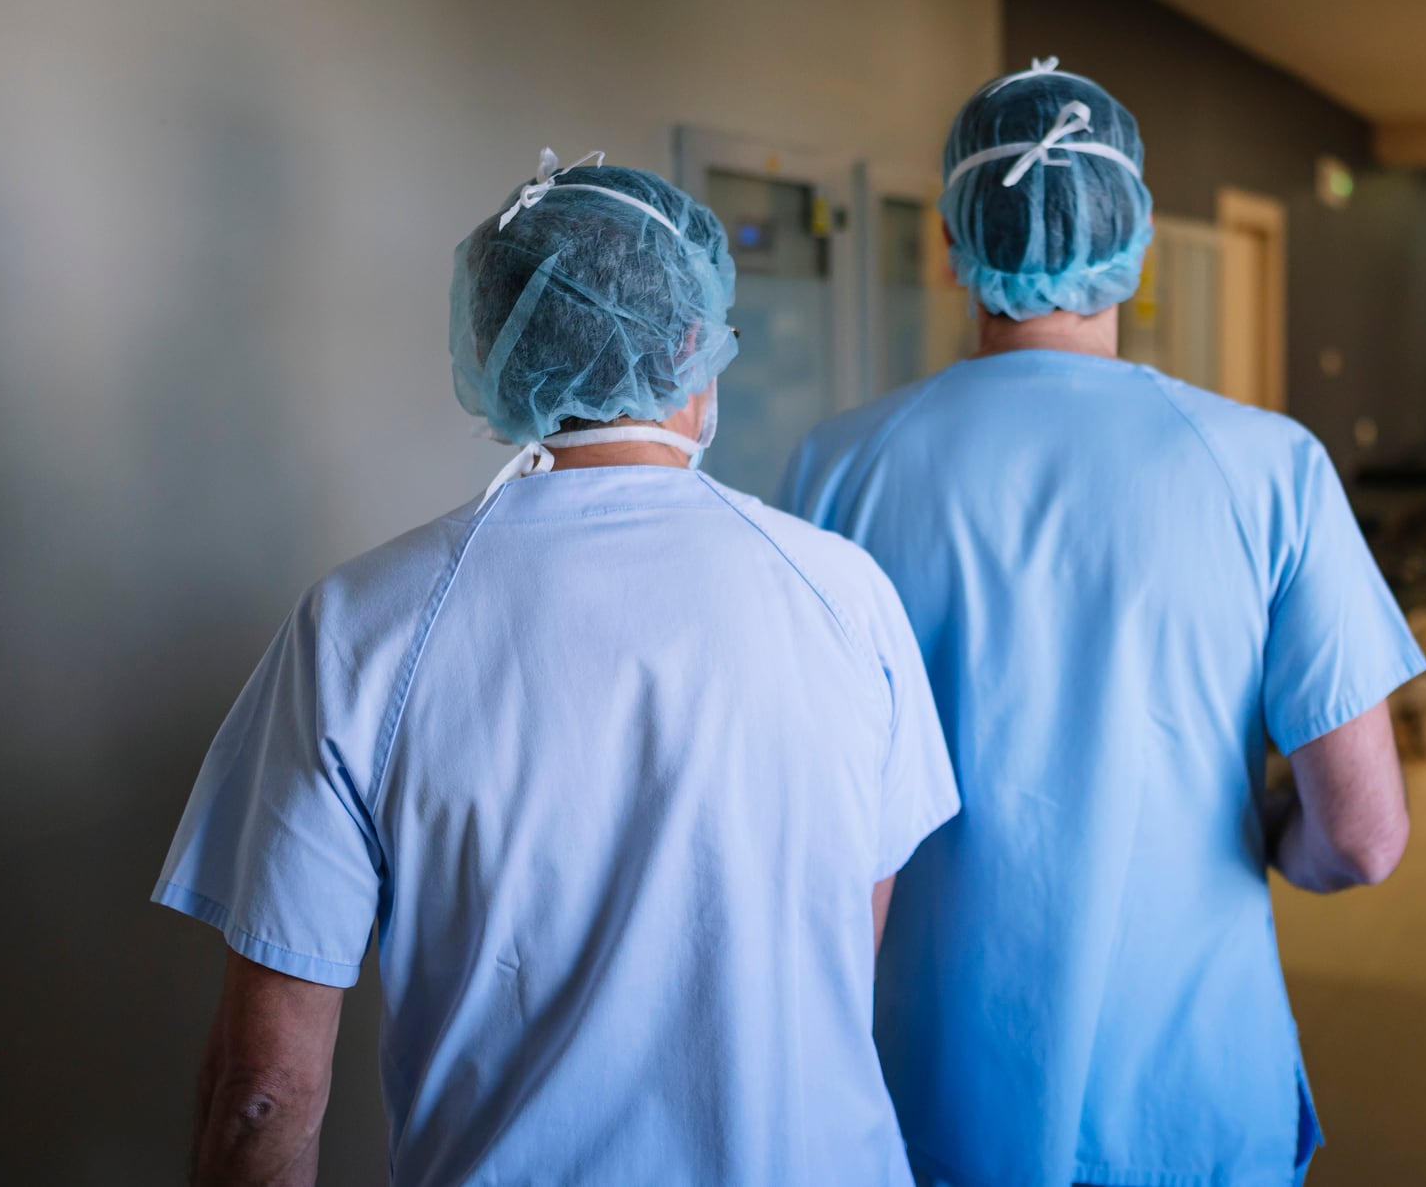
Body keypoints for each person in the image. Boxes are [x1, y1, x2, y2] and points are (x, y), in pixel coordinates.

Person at [153, 150, 958, 1186]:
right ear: (690, 344)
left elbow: (263, 1090)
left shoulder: (363, 624)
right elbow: (847, 941)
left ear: (501, 344)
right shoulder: (844, 594)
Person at [780, 60, 1425, 1187]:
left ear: (952, 245)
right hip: (1187, 1097)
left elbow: (799, 801)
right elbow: (1364, 835)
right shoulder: (1266, 466)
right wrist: (1268, 834)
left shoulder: (838, 468)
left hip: (925, 1089)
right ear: (1135, 242)